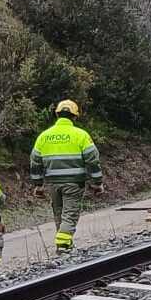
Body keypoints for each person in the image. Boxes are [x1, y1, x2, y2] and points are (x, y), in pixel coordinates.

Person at [30, 99, 103, 252]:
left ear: (57, 115)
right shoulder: (81, 135)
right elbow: (93, 160)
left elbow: (35, 162)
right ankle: (63, 244)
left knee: (59, 213)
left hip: (53, 183)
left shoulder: (44, 136)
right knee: (70, 214)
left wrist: (38, 185)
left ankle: (65, 244)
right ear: (75, 117)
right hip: (73, 183)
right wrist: (97, 182)